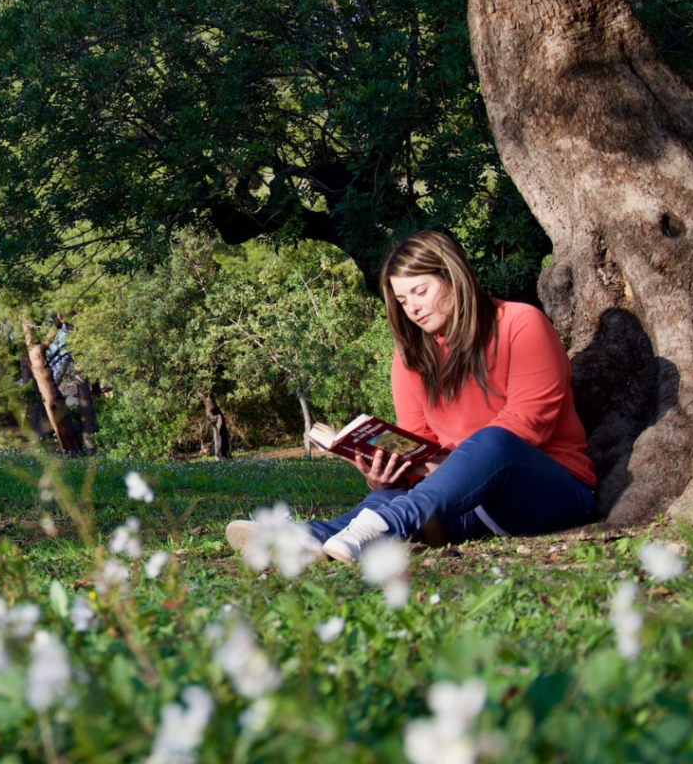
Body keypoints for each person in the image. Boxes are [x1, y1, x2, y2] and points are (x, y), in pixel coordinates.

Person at [226, 230, 597, 563]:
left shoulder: (520, 323)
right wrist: (384, 475)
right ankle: (307, 538)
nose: (413, 308)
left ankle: (386, 525)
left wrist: (443, 468)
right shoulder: (411, 358)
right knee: (390, 497)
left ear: (454, 278)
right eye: (403, 300)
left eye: (421, 291)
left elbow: (527, 425)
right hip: (465, 501)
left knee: (494, 440)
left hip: (546, 494)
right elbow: (420, 446)